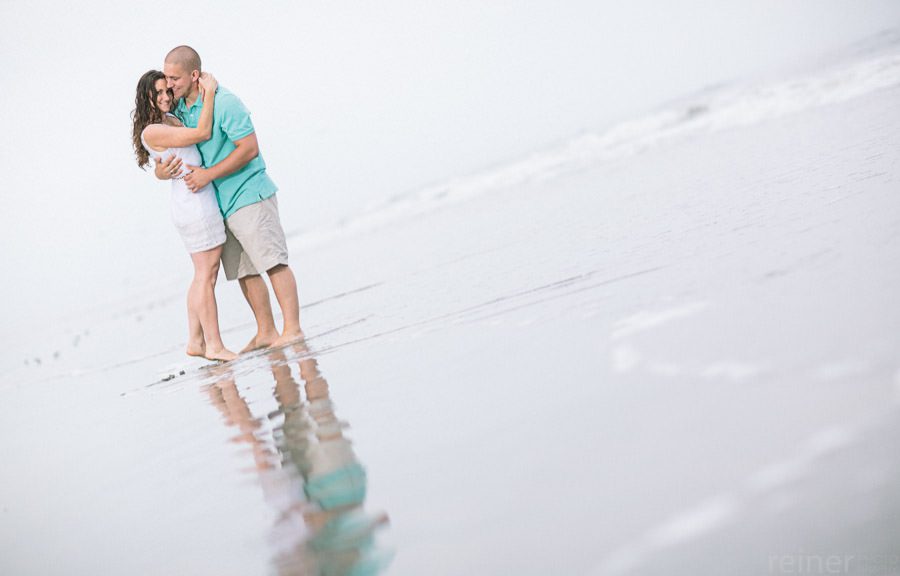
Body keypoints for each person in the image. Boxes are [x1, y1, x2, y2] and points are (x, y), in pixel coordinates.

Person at [156, 45, 302, 352]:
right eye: (166, 77)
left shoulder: (225, 102)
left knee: (273, 262)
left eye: (175, 77)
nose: (169, 84)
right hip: (218, 204)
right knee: (244, 271)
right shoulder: (179, 111)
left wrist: (208, 175)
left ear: (194, 75)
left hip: (248, 192)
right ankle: (266, 330)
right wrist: (162, 170)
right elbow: (164, 148)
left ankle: (293, 328)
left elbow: (248, 148)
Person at [131, 69, 237, 362]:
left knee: (205, 274)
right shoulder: (153, 129)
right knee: (206, 274)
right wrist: (212, 92)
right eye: (159, 93)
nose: (166, 97)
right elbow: (202, 133)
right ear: (146, 98)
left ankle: (195, 340)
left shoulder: (169, 120)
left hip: (195, 198)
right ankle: (214, 345)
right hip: (193, 204)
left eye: (168, 90)